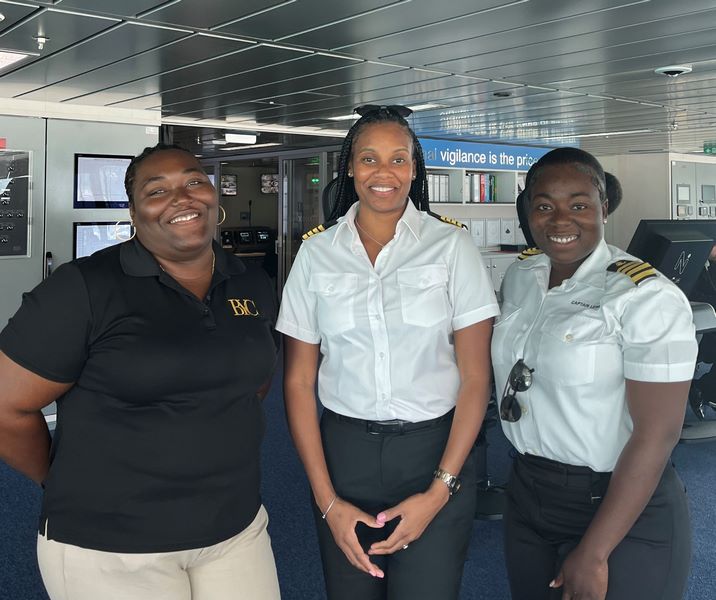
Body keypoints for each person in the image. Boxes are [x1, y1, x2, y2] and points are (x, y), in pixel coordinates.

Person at [0, 143, 281, 600]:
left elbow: (253, 381)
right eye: (157, 190)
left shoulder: (250, 281)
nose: (182, 197)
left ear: (213, 194)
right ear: (133, 212)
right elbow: (6, 407)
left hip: (235, 526)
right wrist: (59, 479)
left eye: (194, 181)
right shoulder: (83, 288)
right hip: (111, 543)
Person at [277, 105, 498, 600]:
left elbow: (475, 378)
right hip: (344, 455)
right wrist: (327, 501)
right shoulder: (317, 254)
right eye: (369, 159)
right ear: (349, 168)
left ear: (414, 169)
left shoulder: (451, 247)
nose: (385, 173)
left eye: (398, 159)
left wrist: (440, 489)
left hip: (435, 453)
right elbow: (297, 381)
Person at [494, 147, 696, 600]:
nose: (560, 219)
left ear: (604, 207)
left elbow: (658, 434)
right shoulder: (522, 275)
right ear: (528, 210)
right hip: (528, 494)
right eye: (544, 206)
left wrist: (596, 551)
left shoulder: (644, 297)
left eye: (579, 204)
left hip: (620, 504)